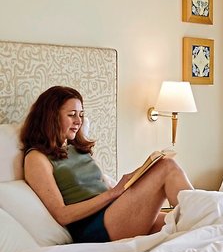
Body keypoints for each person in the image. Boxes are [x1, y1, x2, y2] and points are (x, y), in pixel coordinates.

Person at [20, 86, 193, 243]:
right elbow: (62, 214)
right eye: (71, 114)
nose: (78, 121)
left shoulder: (77, 149)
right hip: (94, 227)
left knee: (184, 223)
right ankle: (206, 211)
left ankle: (207, 216)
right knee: (166, 166)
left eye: (81, 115)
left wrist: (134, 179)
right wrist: (113, 193)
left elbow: (102, 186)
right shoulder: (36, 157)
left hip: (114, 212)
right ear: (51, 117)